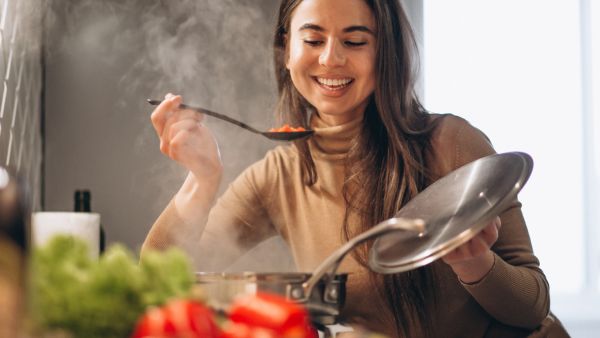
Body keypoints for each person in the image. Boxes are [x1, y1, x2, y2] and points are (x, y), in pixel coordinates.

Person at [142, 0, 568, 337]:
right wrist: (201, 181)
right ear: (286, 51)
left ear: (385, 52)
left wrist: (475, 263)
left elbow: (532, 306)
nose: (331, 59)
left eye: (355, 40)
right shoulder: (278, 175)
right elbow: (161, 281)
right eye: (312, 40)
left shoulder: (452, 144)